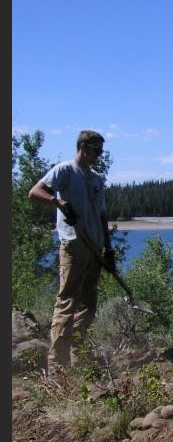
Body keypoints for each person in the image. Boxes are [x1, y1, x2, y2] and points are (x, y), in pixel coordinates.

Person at [28, 129, 115, 375]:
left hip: (94, 248)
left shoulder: (96, 178)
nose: (98, 155)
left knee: (88, 305)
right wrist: (58, 202)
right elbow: (35, 192)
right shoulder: (65, 170)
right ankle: (57, 366)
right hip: (74, 245)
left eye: (101, 151)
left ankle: (78, 357)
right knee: (67, 302)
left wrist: (109, 249)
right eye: (96, 150)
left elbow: (102, 215)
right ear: (83, 147)